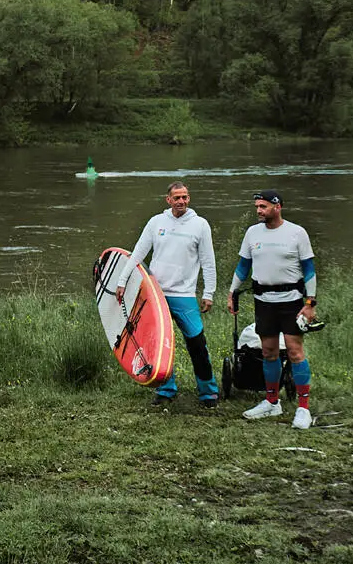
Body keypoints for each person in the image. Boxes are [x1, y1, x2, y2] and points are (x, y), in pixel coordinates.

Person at [226, 190, 318, 430]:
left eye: (263, 206)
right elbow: (243, 266)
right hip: (263, 300)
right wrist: (232, 292)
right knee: (268, 351)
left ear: (278, 207)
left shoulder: (297, 233)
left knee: (295, 351)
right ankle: (271, 401)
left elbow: (309, 270)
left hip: (291, 301)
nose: (259, 210)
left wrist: (310, 304)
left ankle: (303, 409)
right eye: (257, 206)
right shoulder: (252, 233)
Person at [124, 181, 220, 408]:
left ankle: (209, 393)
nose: (181, 201)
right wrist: (121, 281)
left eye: (185, 197)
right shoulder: (156, 222)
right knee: (159, 346)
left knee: (197, 344)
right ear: (168, 200)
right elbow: (138, 253)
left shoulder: (200, 225)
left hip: (185, 296)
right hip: (156, 295)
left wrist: (209, 293)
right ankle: (166, 389)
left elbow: (208, 262)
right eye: (177, 198)